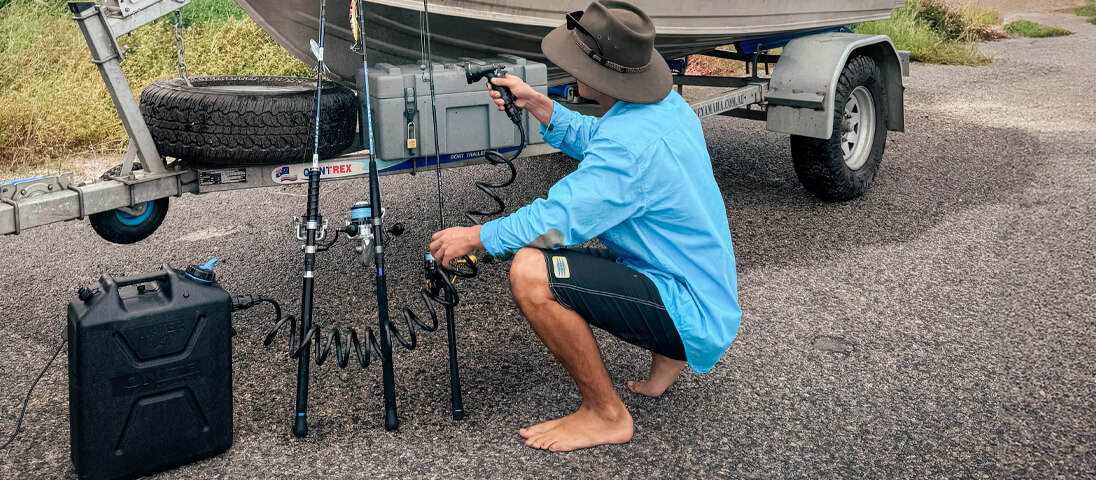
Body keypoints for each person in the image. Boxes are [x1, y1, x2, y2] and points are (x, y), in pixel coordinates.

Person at [429, 0, 741, 452]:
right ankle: (669, 360)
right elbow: (602, 140)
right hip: (701, 284)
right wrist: (540, 105)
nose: (569, 67)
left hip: (687, 305)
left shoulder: (627, 150)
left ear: (600, 75)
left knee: (531, 271)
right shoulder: (665, 107)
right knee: (589, 255)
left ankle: (606, 414)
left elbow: (557, 223)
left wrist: (477, 236)